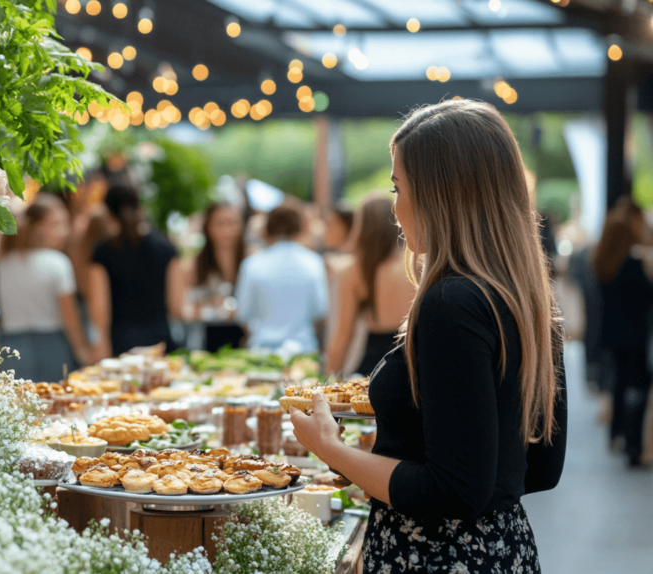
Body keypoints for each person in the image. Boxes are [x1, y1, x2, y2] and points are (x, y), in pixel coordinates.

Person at [290, 100, 567, 573]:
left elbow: (453, 490)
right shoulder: (526, 301)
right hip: (504, 549)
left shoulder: (448, 305)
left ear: (440, 194)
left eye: (399, 186)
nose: (395, 206)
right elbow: (538, 469)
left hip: (434, 557)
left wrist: (331, 449)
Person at [0, 193, 90, 381]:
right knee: (57, 403)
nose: (65, 231)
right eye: (56, 224)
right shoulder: (57, 263)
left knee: (15, 406)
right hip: (53, 347)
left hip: (10, 349)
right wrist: (83, 351)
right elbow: (69, 317)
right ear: (37, 228)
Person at [591, 196, 653, 467]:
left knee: (620, 382)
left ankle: (617, 433)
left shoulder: (604, 260)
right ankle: (633, 443)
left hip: (612, 334)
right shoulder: (633, 262)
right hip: (635, 335)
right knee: (636, 386)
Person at [325, 194, 417, 376]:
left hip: (374, 364)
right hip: (413, 361)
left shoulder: (356, 271)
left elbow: (343, 336)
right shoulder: (415, 265)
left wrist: (327, 380)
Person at [89, 186, 185, 358]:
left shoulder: (103, 251)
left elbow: (99, 307)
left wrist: (101, 341)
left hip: (121, 340)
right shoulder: (166, 247)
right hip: (160, 338)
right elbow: (177, 306)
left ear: (108, 211)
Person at [234, 202, 329, 354]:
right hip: (303, 352)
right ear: (302, 227)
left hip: (262, 353)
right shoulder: (313, 262)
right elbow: (320, 311)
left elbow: (243, 313)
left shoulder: (251, 264)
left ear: (267, 228)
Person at [186, 202, 247, 351]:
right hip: (205, 342)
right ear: (207, 227)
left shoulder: (252, 262)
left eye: (232, 223)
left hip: (246, 340)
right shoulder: (194, 265)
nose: (227, 230)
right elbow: (184, 310)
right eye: (219, 223)